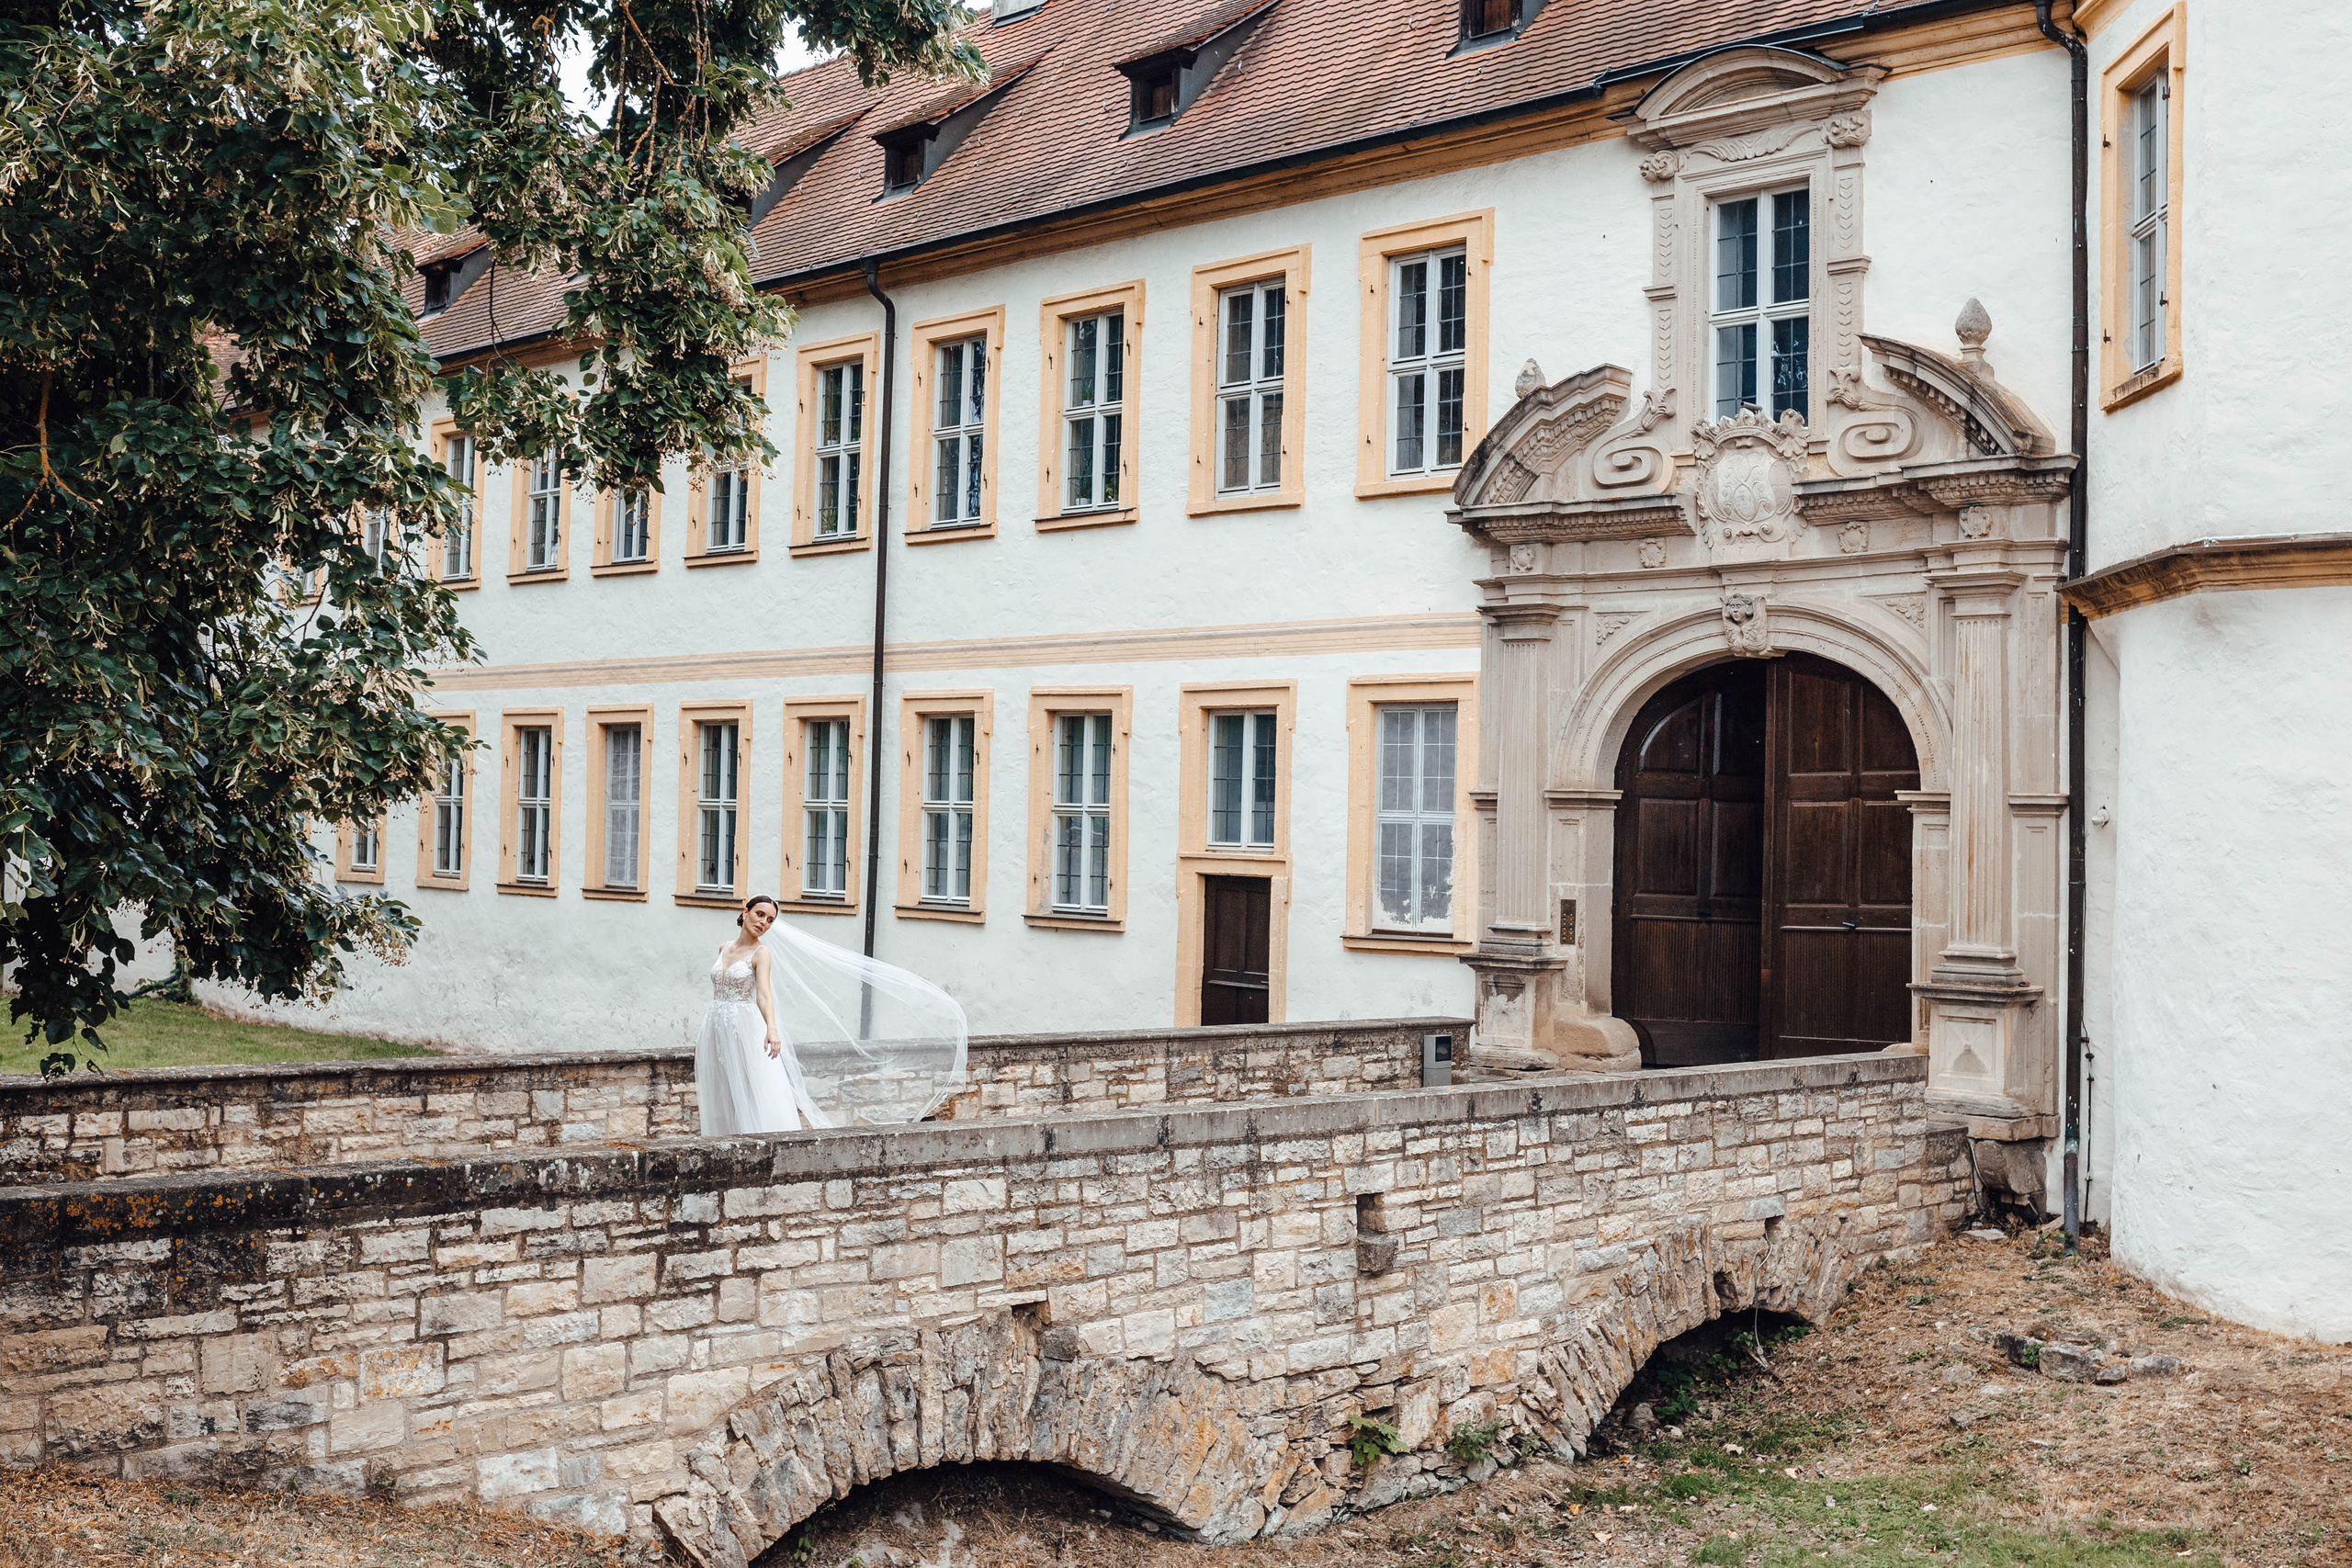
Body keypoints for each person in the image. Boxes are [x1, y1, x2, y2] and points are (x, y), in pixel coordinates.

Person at [695, 895, 833, 1134]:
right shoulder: (723, 947)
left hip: (744, 1025)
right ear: (745, 911)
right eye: (760, 915)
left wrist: (771, 1029)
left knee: (751, 1087)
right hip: (716, 1024)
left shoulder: (761, 954)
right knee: (722, 1088)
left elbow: (763, 995)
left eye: (770, 920)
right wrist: (703, 1037)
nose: (764, 923)